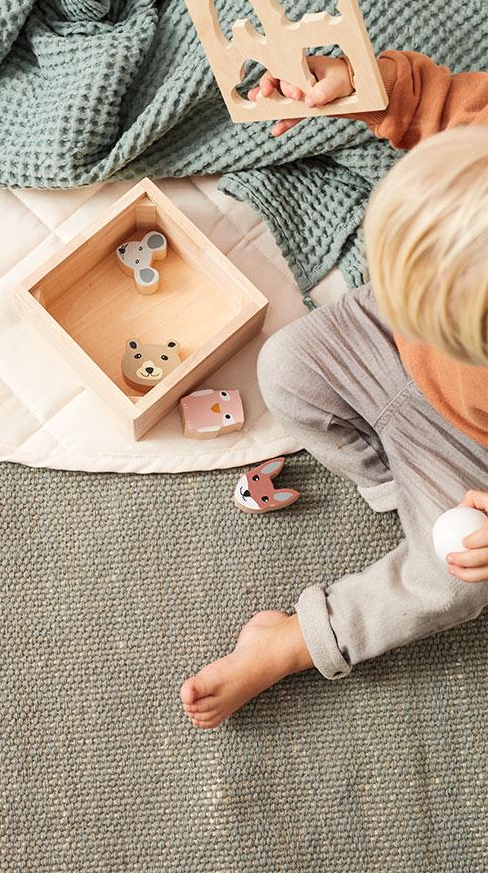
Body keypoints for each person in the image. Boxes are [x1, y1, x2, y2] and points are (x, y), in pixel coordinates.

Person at [180, 51, 488, 729]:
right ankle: (391, 486)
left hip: (473, 451)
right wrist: (360, 84)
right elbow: (444, 104)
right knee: (285, 365)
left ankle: (297, 639)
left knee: (455, 574)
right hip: (388, 336)